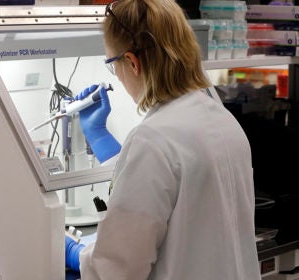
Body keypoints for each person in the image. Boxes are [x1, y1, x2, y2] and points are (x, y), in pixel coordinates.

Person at [66, 0, 261, 279]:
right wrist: (99, 136)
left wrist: (74, 253)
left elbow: (116, 269)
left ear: (132, 63)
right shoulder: (223, 121)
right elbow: (173, 188)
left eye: (112, 64)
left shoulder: (153, 140)